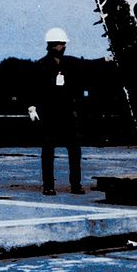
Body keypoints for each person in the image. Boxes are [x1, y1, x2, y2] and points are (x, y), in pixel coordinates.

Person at [27, 27, 85, 195]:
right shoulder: (41, 66)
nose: (64, 46)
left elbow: (88, 64)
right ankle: (48, 185)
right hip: (49, 114)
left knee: (75, 150)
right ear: (53, 45)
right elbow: (32, 89)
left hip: (68, 114)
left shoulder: (70, 63)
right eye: (61, 44)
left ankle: (76, 184)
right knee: (48, 151)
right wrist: (32, 108)